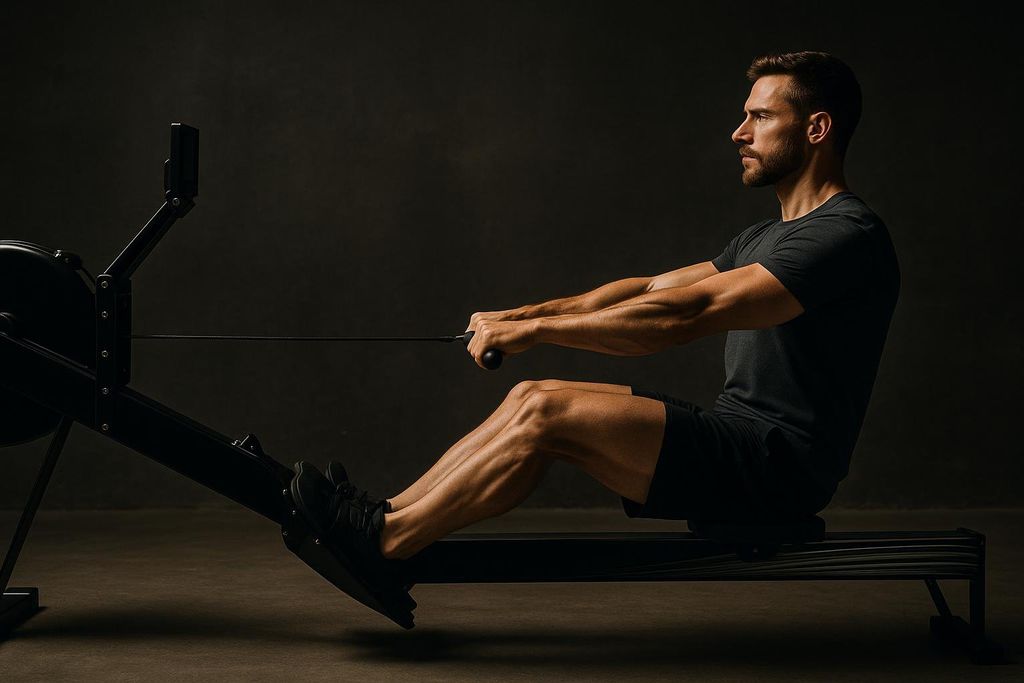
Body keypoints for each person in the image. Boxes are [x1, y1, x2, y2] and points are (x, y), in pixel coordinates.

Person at [293, 50, 900, 593]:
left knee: (547, 413)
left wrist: (534, 333)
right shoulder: (766, 237)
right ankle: (381, 516)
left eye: (761, 117)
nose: (739, 132)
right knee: (532, 394)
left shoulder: (843, 236)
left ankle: (385, 545)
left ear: (816, 128)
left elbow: (683, 314)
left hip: (776, 470)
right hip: (740, 439)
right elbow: (650, 288)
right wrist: (522, 315)